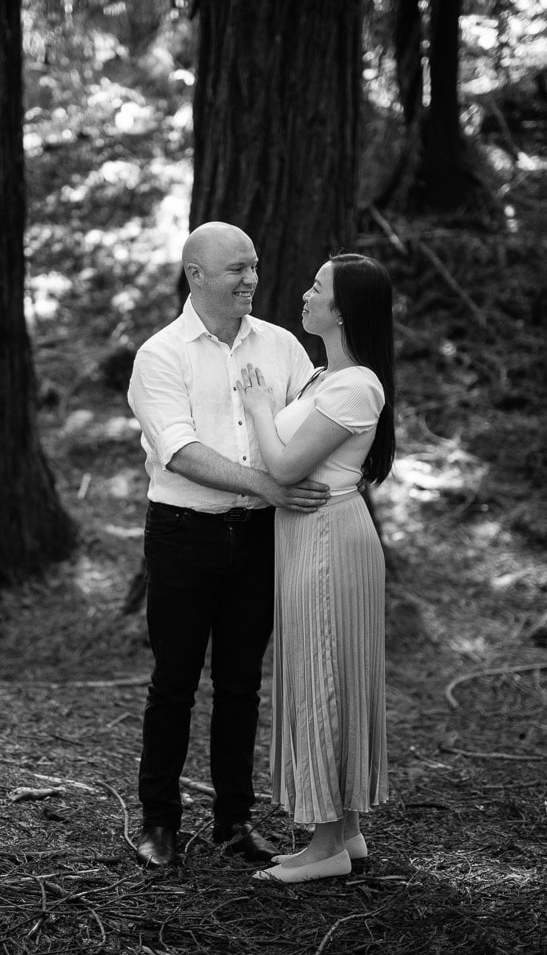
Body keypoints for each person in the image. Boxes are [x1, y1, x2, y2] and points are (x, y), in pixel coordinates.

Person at [125, 221, 332, 869]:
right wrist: (271, 485)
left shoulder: (280, 346)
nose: (251, 278)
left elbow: (315, 423)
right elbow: (182, 453)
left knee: (241, 684)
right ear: (195, 275)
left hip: (262, 538)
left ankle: (233, 821)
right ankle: (158, 821)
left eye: (254, 265)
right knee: (174, 683)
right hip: (184, 535)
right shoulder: (160, 355)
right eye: (236, 268)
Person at [234, 253, 396, 883]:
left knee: (324, 672)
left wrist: (252, 404)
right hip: (310, 533)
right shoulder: (326, 378)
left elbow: (283, 467)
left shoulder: (357, 385)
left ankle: (324, 847)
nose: (303, 295)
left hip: (328, 537)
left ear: (343, 308)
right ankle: (346, 832)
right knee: (327, 669)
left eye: (317, 289)